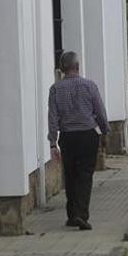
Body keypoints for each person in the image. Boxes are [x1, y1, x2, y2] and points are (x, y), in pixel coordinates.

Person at [48, 51, 109, 231]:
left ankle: (72, 214)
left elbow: (52, 117)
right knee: (85, 175)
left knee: (70, 175)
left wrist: (53, 142)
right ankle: (81, 214)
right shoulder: (90, 86)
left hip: (67, 137)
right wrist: (105, 131)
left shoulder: (55, 89)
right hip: (87, 135)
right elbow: (100, 111)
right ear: (77, 67)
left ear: (62, 69)